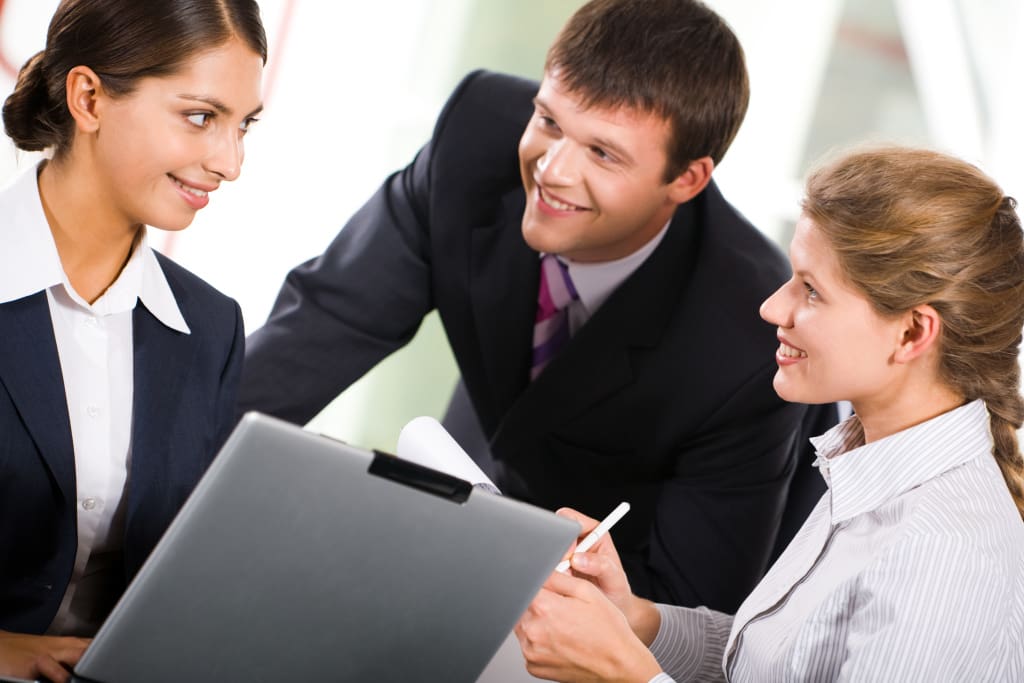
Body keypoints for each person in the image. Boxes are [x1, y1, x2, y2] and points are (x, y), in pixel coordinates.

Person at [239, 0, 837, 611]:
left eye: (603, 153)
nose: (552, 171)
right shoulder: (474, 138)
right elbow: (320, 325)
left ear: (686, 179)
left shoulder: (746, 332)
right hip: (464, 490)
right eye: (549, 121)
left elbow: (690, 607)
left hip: (615, 592)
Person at [515, 146, 1024, 682]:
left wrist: (622, 672)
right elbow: (772, 669)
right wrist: (636, 620)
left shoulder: (943, 559)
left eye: (810, 291)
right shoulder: (869, 472)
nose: (772, 309)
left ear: (913, 332)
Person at [0, 1, 266, 680]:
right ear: (88, 97)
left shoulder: (209, 327)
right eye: (201, 117)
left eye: (244, 127)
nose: (230, 162)